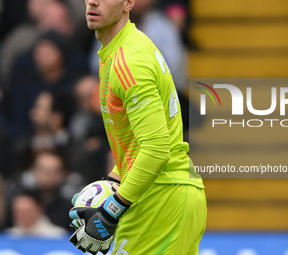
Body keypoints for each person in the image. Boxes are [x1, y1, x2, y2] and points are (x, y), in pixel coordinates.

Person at [68, 0, 206, 254]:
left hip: (161, 197)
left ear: (129, 3)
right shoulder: (122, 48)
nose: (93, 2)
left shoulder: (128, 61)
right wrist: (110, 183)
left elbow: (156, 149)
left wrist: (112, 208)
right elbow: (136, 144)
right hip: (166, 192)